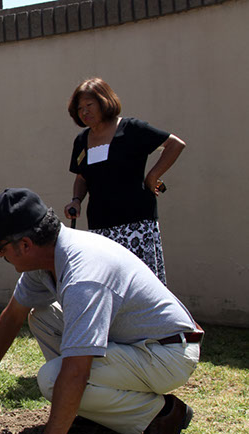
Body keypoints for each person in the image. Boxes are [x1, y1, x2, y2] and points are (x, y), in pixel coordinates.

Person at [0, 188, 203, 434]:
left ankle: (163, 415)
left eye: (1, 249)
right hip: (136, 344)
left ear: (24, 245)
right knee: (43, 316)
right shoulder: (45, 260)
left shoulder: (84, 275)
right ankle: (86, 408)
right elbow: (13, 316)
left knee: (53, 378)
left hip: (168, 353)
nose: (1, 256)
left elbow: (76, 371)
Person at [63, 78, 186, 285]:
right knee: (110, 285)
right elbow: (81, 177)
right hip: (101, 227)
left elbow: (175, 144)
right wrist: (76, 200)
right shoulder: (82, 141)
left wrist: (152, 176)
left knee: (142, 286)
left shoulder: (131, 129)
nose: (84, 112)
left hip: (136, 224)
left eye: (89, 105)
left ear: (104, 101)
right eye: (80, 108)